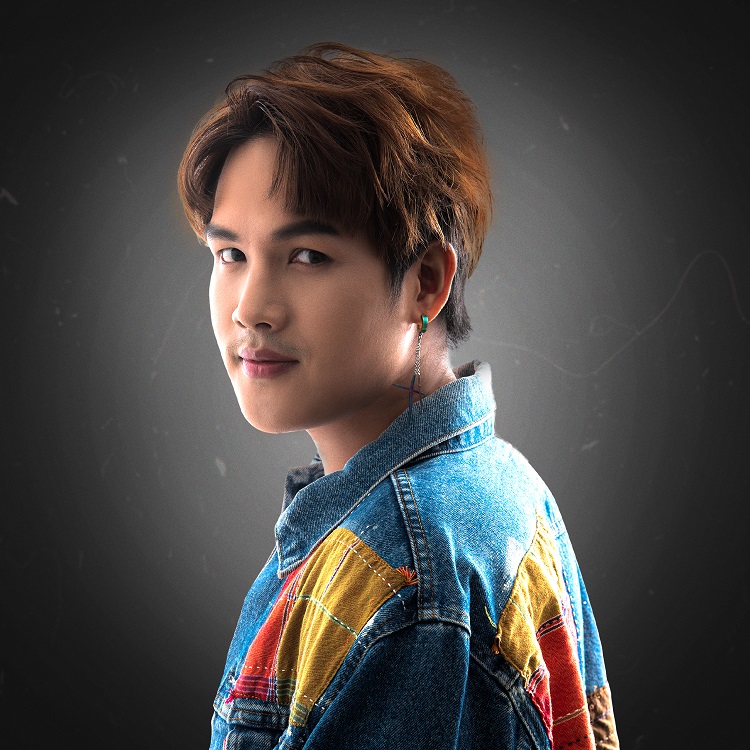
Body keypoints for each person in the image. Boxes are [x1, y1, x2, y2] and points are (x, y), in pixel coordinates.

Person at [178, 42, 618, 750]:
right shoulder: (494, 479)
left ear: (425, 282)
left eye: (307, 256)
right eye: (230, 254)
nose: (250, 308)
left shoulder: (407, 577)